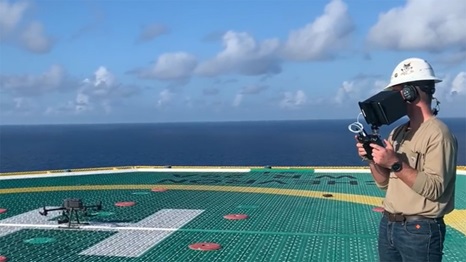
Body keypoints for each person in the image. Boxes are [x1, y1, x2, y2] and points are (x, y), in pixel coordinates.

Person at [355, 57, 458, 262]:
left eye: (397, 91)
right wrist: (372, 158)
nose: (393, 97)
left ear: (409, 92)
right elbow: (384, 183)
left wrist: (395, 163)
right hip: (389, 225)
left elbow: (434, 188)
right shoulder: (397, 132)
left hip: (420, 231)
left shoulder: (439, 134)